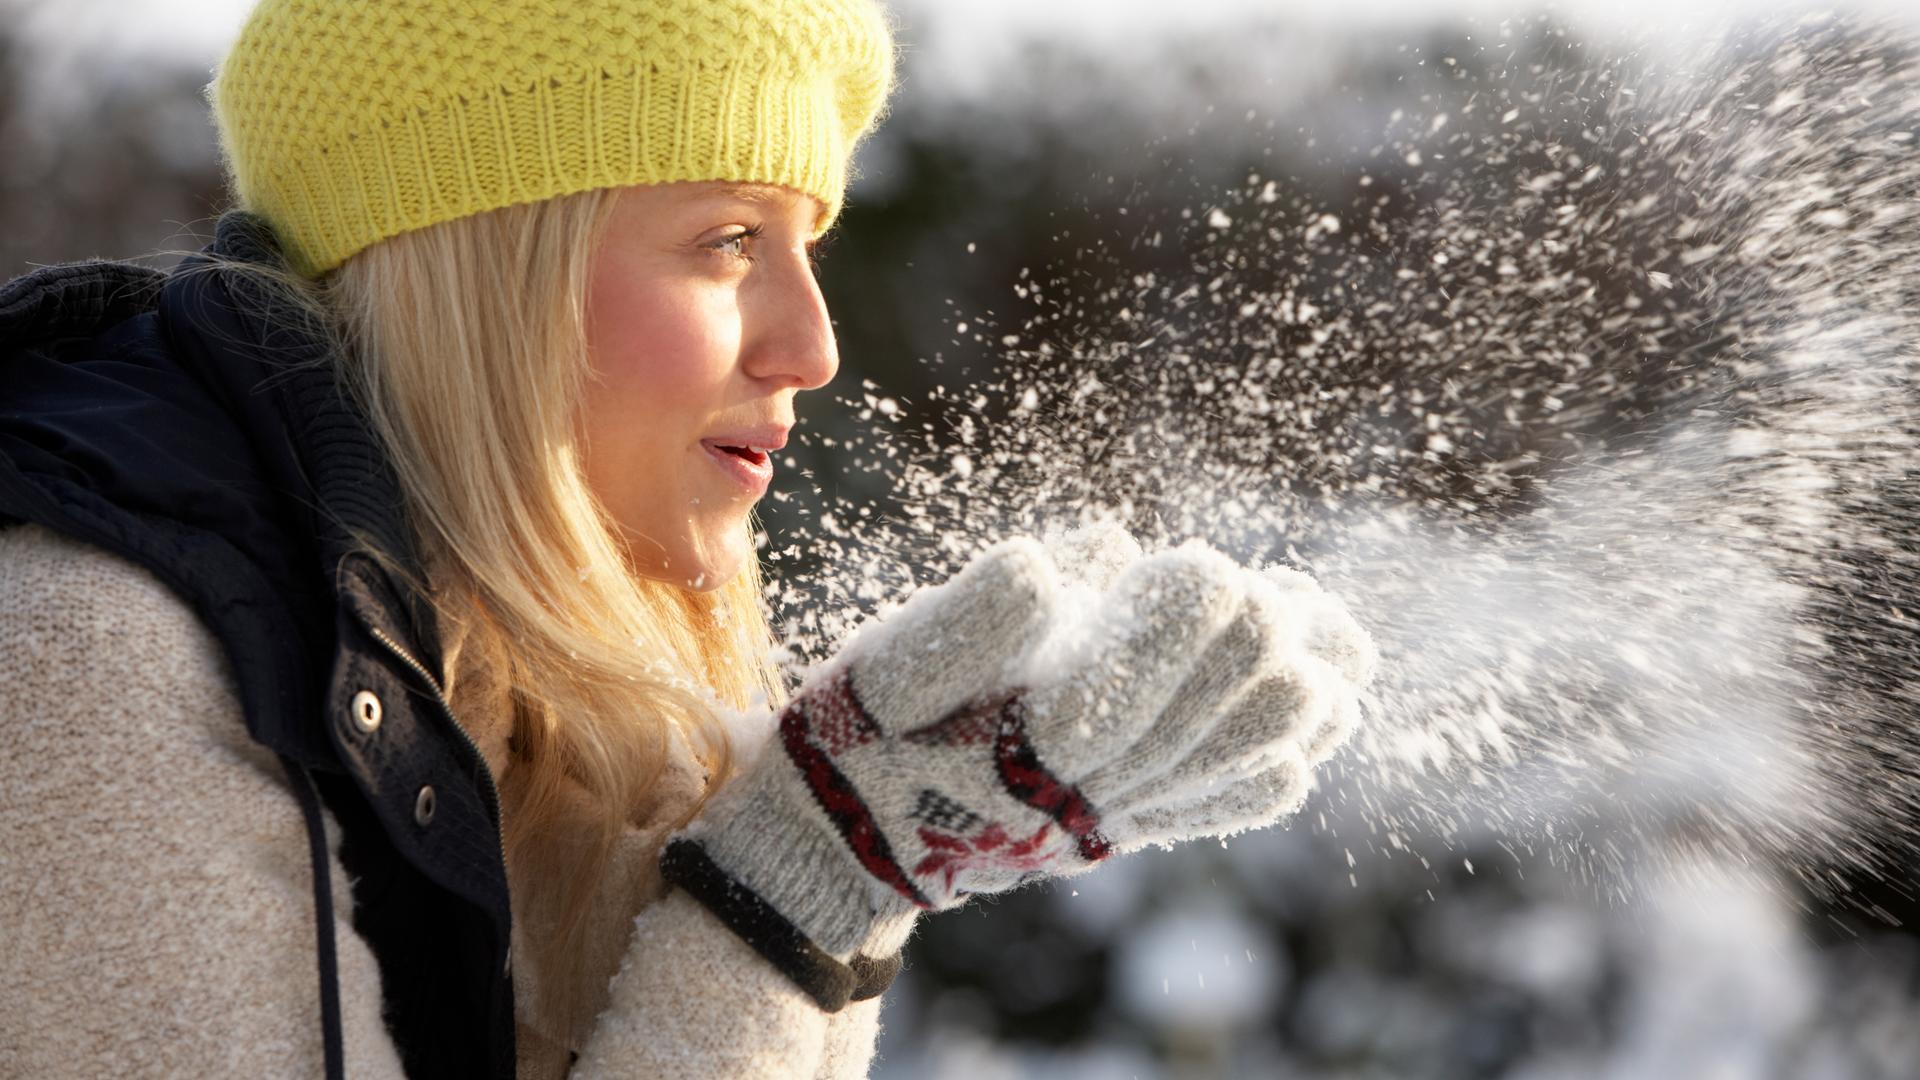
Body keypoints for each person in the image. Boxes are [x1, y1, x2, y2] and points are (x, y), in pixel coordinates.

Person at [0, 1, 1376, 1077]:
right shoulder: (98, 669)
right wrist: (796, 893)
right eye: (726, 239)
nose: (812, 345)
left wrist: (841, 863)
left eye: (809, 243)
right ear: (491, 275)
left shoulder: (499, 694)